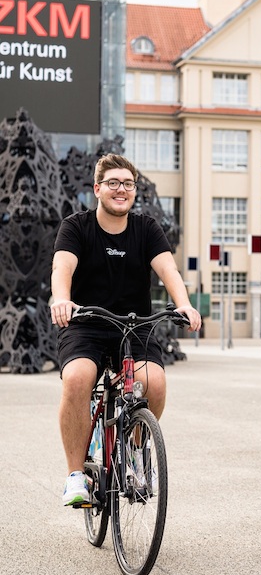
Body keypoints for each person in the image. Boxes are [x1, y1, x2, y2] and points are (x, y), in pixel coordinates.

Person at [51, 153, 201, 506]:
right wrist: (61, 298)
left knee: (155, 383)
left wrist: (184, 303)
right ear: (98, 189)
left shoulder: (146, 229)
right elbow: (62, 267)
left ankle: (134, 452)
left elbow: (169, 271)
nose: (122, 190)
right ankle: (76, 475)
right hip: (85, 324)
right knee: (77, 379)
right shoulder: (76, 226)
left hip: (134, 328)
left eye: (128, 184)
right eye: (114, 183)